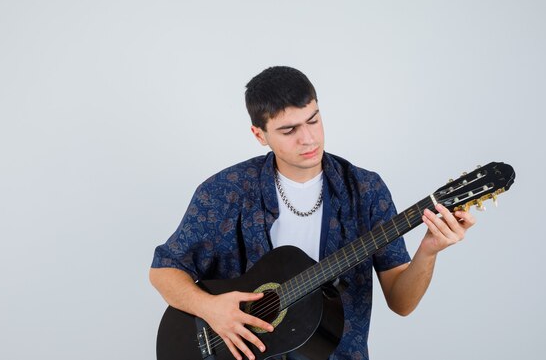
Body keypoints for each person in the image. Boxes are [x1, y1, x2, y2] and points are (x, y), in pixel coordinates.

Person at [149, 66, 475, 360]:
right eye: (289, 130)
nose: (308, 138)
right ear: (259, 135)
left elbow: (402, 303)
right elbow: (164, 271)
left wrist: (429, 250)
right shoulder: (225, 191)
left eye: (313, 120)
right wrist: (211, 308)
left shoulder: (365, 190)